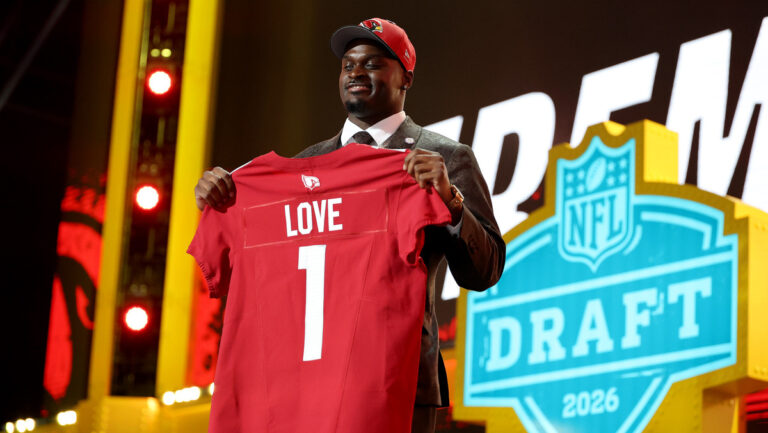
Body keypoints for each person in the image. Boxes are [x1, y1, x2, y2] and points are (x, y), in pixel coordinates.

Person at [194, 18, 505, 433]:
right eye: (348, 65)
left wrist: (451, 200)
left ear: (406, 77)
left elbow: (485, 272)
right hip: (301, 383)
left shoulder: (444, 156)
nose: (356, 72)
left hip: (397, 381)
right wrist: (222, 199)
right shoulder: (301, 167)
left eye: (374, 63)